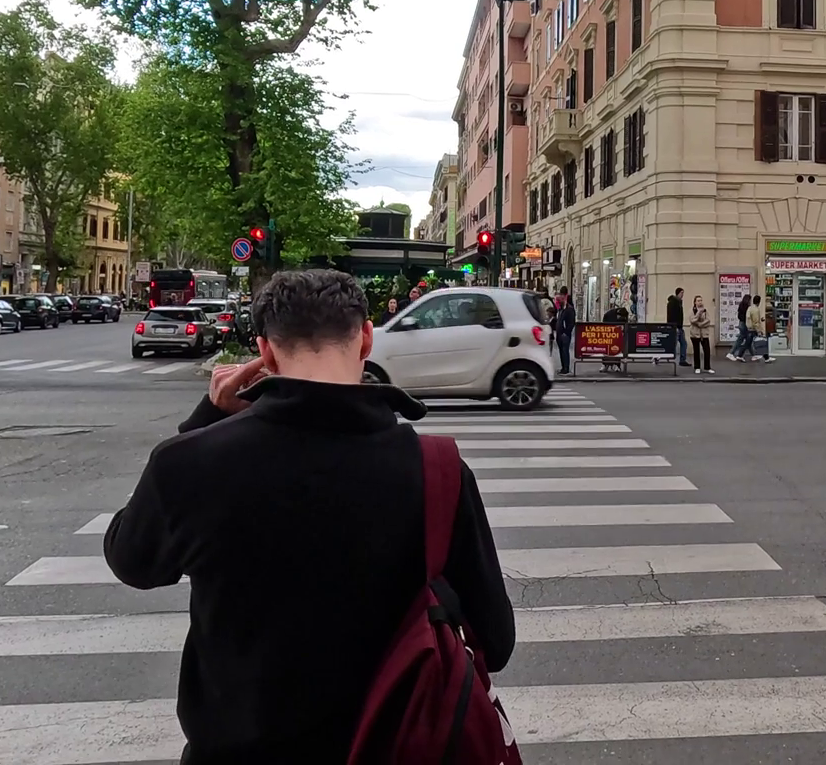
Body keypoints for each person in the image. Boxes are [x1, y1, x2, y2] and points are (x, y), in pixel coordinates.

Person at [105, 269, 514, 762]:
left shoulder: (189, 464)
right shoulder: (436, 472)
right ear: (366, 339)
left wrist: (206, 420)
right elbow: (495, 640)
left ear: (266, 351)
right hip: (390, 749)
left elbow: (133, 561)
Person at [552, 286, 576, 376]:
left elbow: (571, 323)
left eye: (561, 296)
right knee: (561, 351)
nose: (559, 298)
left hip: (565, 334)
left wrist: (566, 332)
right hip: (559, 333)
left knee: (565, 350)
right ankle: (563, 368)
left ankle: (566, 368)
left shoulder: (569, 309)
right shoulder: (561, 309)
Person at [688, 296, 714, 373]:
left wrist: (701, 324)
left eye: (701, 300)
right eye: (698, 301)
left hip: (704, 333)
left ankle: (707, 367)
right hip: (695, 333)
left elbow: (708, 320)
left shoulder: (705, 310)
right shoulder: (692, 310)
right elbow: (692, 320)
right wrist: (698, 313)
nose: (700, 302)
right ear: (695, 302)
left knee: (707, 350)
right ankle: (697, 367)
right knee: (696, 351)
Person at [666, 287, 686, 365]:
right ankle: (658, 357)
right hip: (675, 327)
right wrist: (674, 326)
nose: (682, 294)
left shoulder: (679, 302)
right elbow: (671, 316)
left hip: (679, 327)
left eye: (683, 293)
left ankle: (682, 360)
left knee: (684, 343)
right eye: (681, 293)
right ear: (678, 293)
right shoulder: (673, 302)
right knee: (673, 344)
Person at [729, 293, 751, 362]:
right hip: (744, 324)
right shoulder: (747, 307)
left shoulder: (741, 305)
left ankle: (753, 354)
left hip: (741, 323)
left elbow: (739, 316)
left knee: (748, 339)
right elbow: (746, 316)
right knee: (742, 339)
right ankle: (732, 353)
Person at [745, 296, 768, 363]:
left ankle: (740, 355)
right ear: (759, 302)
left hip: (749, 328)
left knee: (748, 343)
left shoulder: (750, 308)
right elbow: (756, 321)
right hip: (754, 328)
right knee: (761, 343)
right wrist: (759, 330)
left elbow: (749, 317)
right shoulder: (756, 310)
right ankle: (766, 358)